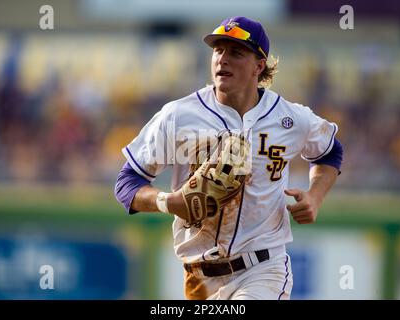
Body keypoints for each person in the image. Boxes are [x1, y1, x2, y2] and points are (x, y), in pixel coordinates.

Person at [115, 16, 343, 300]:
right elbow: (127, 183)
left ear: (259, 66)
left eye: (235, 52)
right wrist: (167, 202)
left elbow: (330, 150)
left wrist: (316, 196)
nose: (223, 59)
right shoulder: (179, 115)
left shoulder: (290, 118)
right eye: (218, 50)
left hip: (263, 268)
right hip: (198, 277)